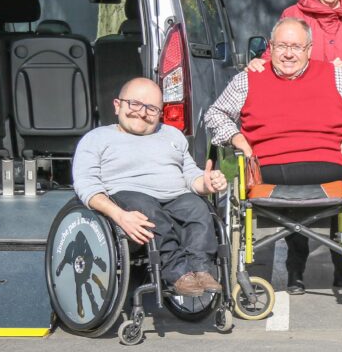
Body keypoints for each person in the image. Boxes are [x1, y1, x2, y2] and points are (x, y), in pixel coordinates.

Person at [205, 17, 342, 294]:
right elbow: (215, 114)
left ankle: (337, 267)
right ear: (270, 47)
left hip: (326, 164)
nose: (288, 53)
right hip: (270, 167)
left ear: (309, 49)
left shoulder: (335, 75)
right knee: (286, 184)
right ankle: (295, 267)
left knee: (327, 190)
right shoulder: (248, 78)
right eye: (281, 46)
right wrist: (237, 137)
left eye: (296, 47)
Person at [72, 77, 228, 297]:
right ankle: (177, 274)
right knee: (148, 209)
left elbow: (190, 175)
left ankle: (201, 269)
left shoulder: (172, 135)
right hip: (127, 197)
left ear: (160, 112)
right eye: (134, 104)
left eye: (151, 108)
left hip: (175, 196)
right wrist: (119, 215)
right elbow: (86, 184)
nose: (142, 112)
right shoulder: (96, 139)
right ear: (117, 105)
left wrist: (206, 183)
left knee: (197, 207)